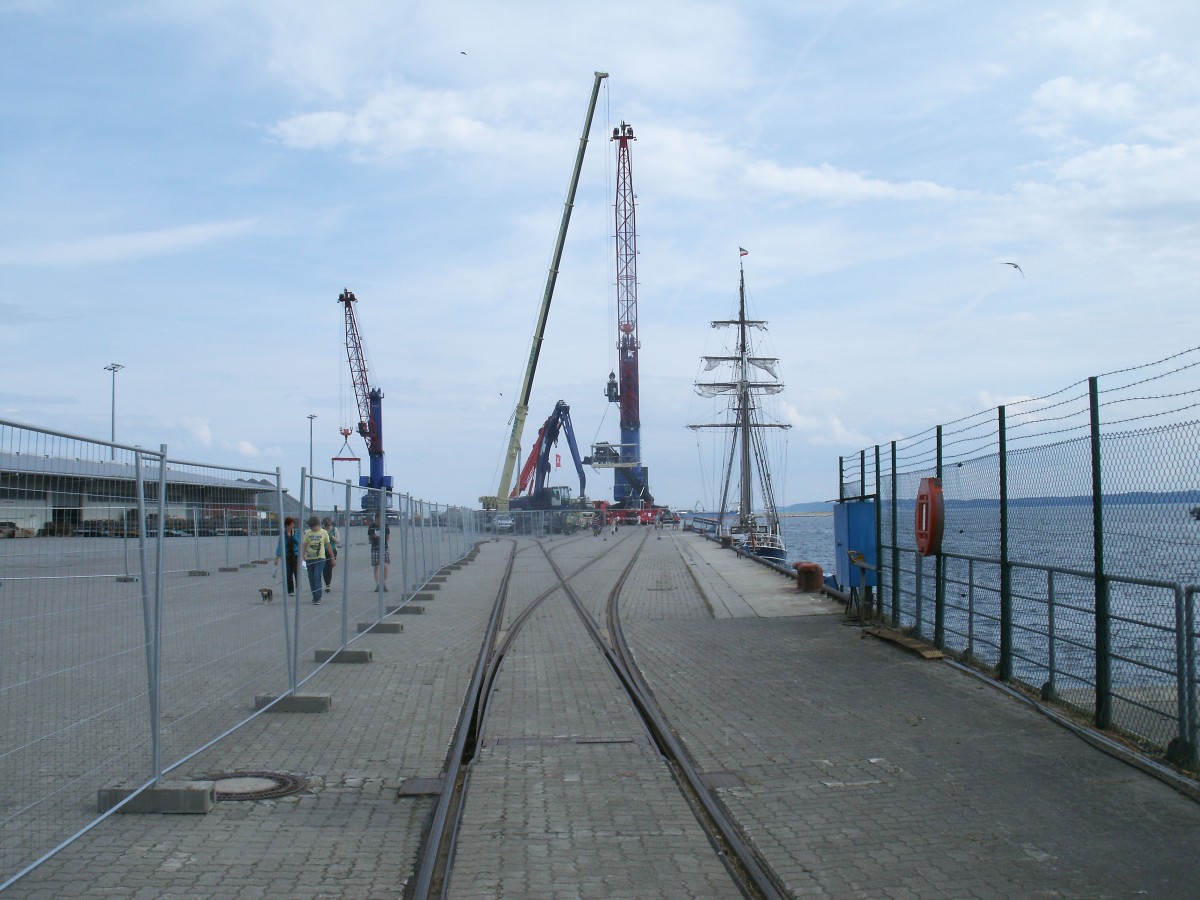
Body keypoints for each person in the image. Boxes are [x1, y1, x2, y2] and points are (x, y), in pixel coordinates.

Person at [301, 515, 333, 604]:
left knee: (316, 576)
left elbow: (328, 545)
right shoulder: (308, 533)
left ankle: (318, 597)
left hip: (320, 558)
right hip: (309, 558)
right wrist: (302, 554)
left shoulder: (324, 533)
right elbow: (304, 544)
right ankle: (314, 596)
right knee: (311, 578)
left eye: (314, 526)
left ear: (318, 525)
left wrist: (332, 557)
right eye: (311, 527)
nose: (313, 528)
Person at [273, 517, 299, 595]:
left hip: (296, 555)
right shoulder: (283, 535)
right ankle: (290, 590)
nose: (293, 526)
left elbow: (299, 542)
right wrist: (277, 557)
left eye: (293, 524)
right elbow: (279, 546)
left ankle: (298, 587)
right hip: (287, 555)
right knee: (288, 573)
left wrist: (293, 535)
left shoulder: (296, 533)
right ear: (287, 525)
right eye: (291, 524)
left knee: (297, 573)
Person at [368, 513, 390, 591]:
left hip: (384, 547)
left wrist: (383, 541)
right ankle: (377, 584)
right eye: (380, 518)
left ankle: (383, 583)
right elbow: (370, 538)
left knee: (385, 565)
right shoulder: (371, 526)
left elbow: (387, 537)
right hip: (375, 547)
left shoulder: (385, 526)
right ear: (376, 518)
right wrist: (374, 537)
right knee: (376, 566)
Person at [321, 516, 339, 591]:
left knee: (330, 568)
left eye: (328, 525)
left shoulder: (335, 529)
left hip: (333, 549)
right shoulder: (321, 530)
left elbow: (338, 541)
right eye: (326, 526)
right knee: (324, 568)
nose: (327, 527)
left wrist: (332, 537)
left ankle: (328, 584)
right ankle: (327, 584)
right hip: (323, 550)